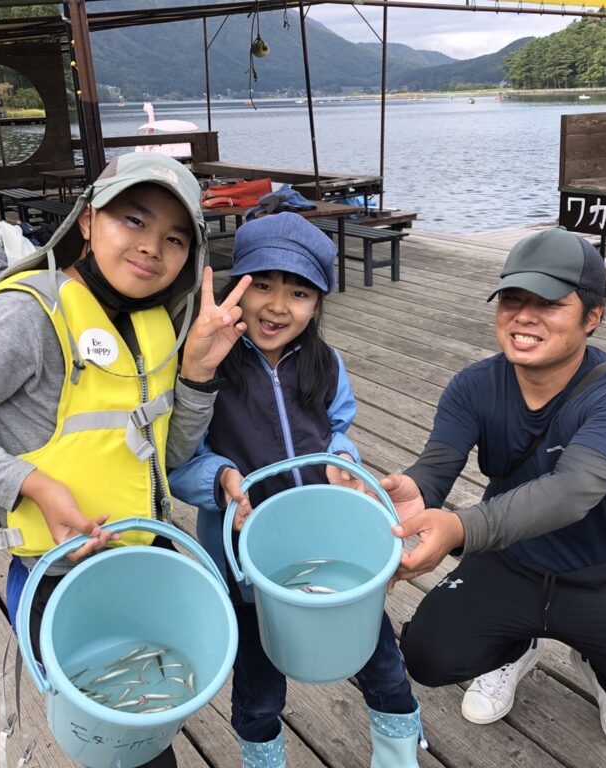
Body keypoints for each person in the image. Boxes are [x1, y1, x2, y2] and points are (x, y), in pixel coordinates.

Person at [0, 153, 252, 768]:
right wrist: (34, 485)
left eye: (174, 237)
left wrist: (195, 374)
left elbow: (164, 458)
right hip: (58, 578)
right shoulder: (30, 313)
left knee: (141, 736)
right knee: (119, 750)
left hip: (144, 562)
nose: (151, 249)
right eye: (133, 220)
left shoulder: (154, 322)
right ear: (88, 220)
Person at [383, 228, 606, 761]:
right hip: (508, 564)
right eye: (513, 299)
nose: (524, 315)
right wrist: (411, 489)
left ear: (593, 317)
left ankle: (603, 666)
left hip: (602, 573)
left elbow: (570, 492)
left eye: (549, 303)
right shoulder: (473, 384)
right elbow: (437, 466)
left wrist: (460, 528)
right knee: (427, 655)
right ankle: (517, 647)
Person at [169, 212, 425, 768]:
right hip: (246, 557)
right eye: (261, 284)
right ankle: (263, 756)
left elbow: (339, 430)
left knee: (380, 659)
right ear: (236, 285)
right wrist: (222, 479)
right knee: (259, 688)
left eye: (299, 292)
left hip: (330, 546)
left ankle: (399, 752)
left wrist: (343, 460)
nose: (278, 306)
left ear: (318, 303)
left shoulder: (327, 363)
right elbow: (181, 461)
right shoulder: (209, 365)